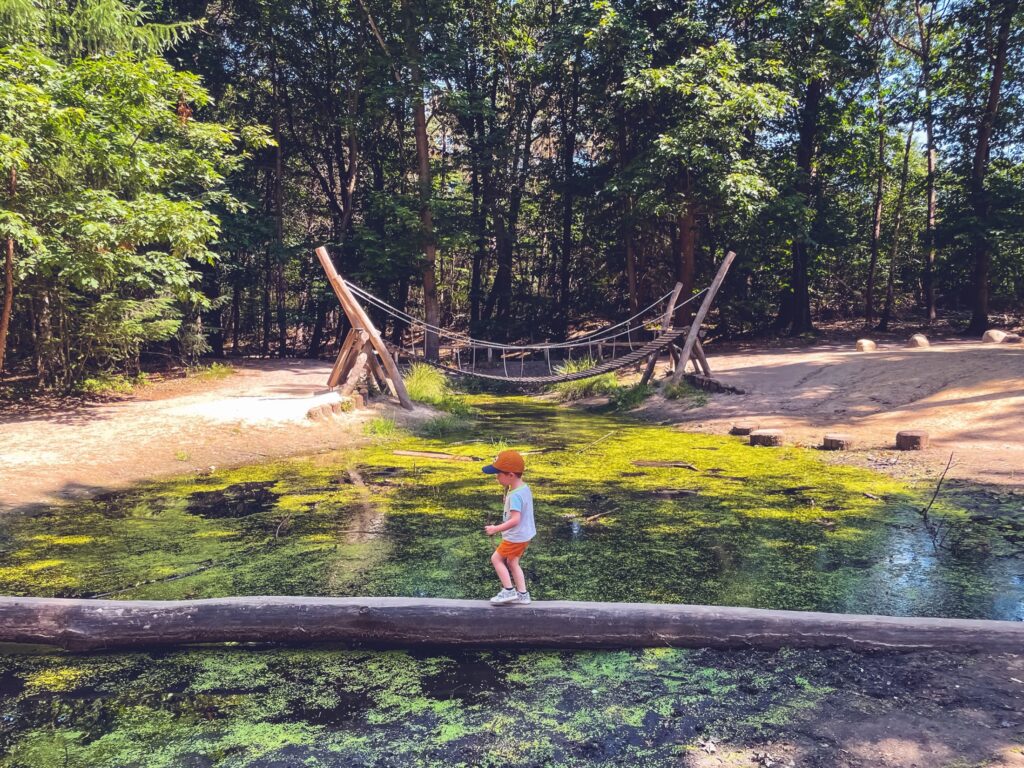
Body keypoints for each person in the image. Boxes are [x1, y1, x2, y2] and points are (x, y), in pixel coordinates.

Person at [482, 450, 535, 605]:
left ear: (511, 475)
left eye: (499, 474)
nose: (497, 477)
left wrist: (495, 529)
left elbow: (515, 520)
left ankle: (508, 591)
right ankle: (523, 595)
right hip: (525, 536)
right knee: (512, 563)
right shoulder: (524, 488)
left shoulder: (515, 496)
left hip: (515, 537)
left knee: (496, 559)